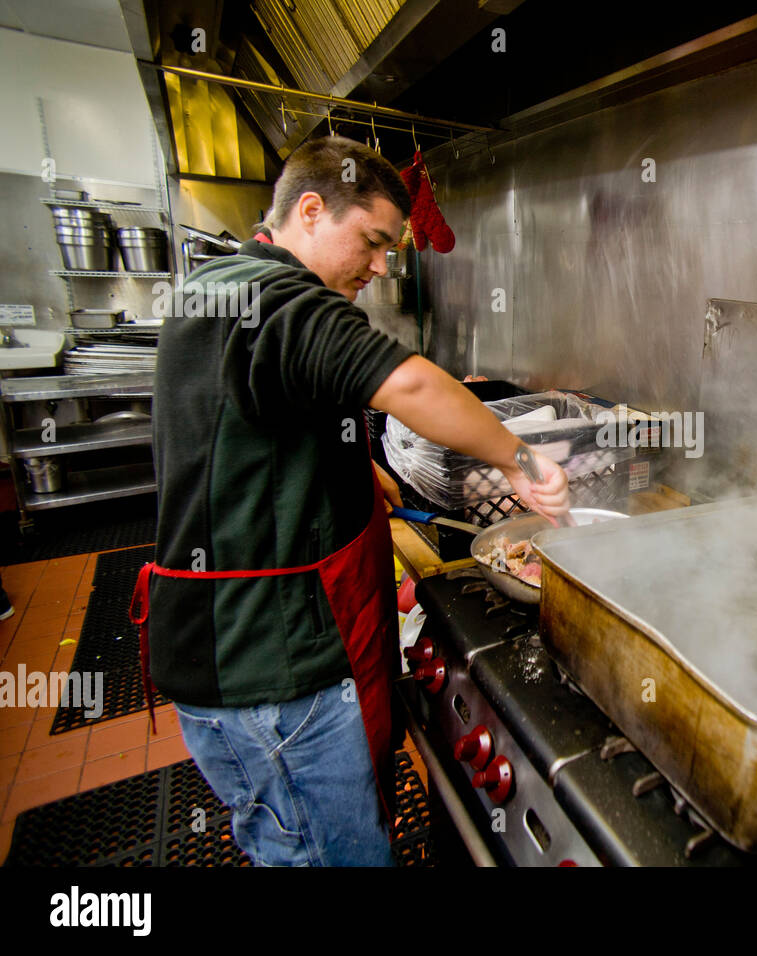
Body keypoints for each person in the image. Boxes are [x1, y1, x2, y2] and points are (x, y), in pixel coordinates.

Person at [130, 135, 570, 866]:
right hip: (269, 671)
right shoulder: (277, 298)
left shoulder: (224, 285)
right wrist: (520, 459)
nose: (378, 266)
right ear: (309, 209)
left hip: (239, 652)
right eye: (370, 242)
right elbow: (413, 386)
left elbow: (251, 424)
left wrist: (356, 468)